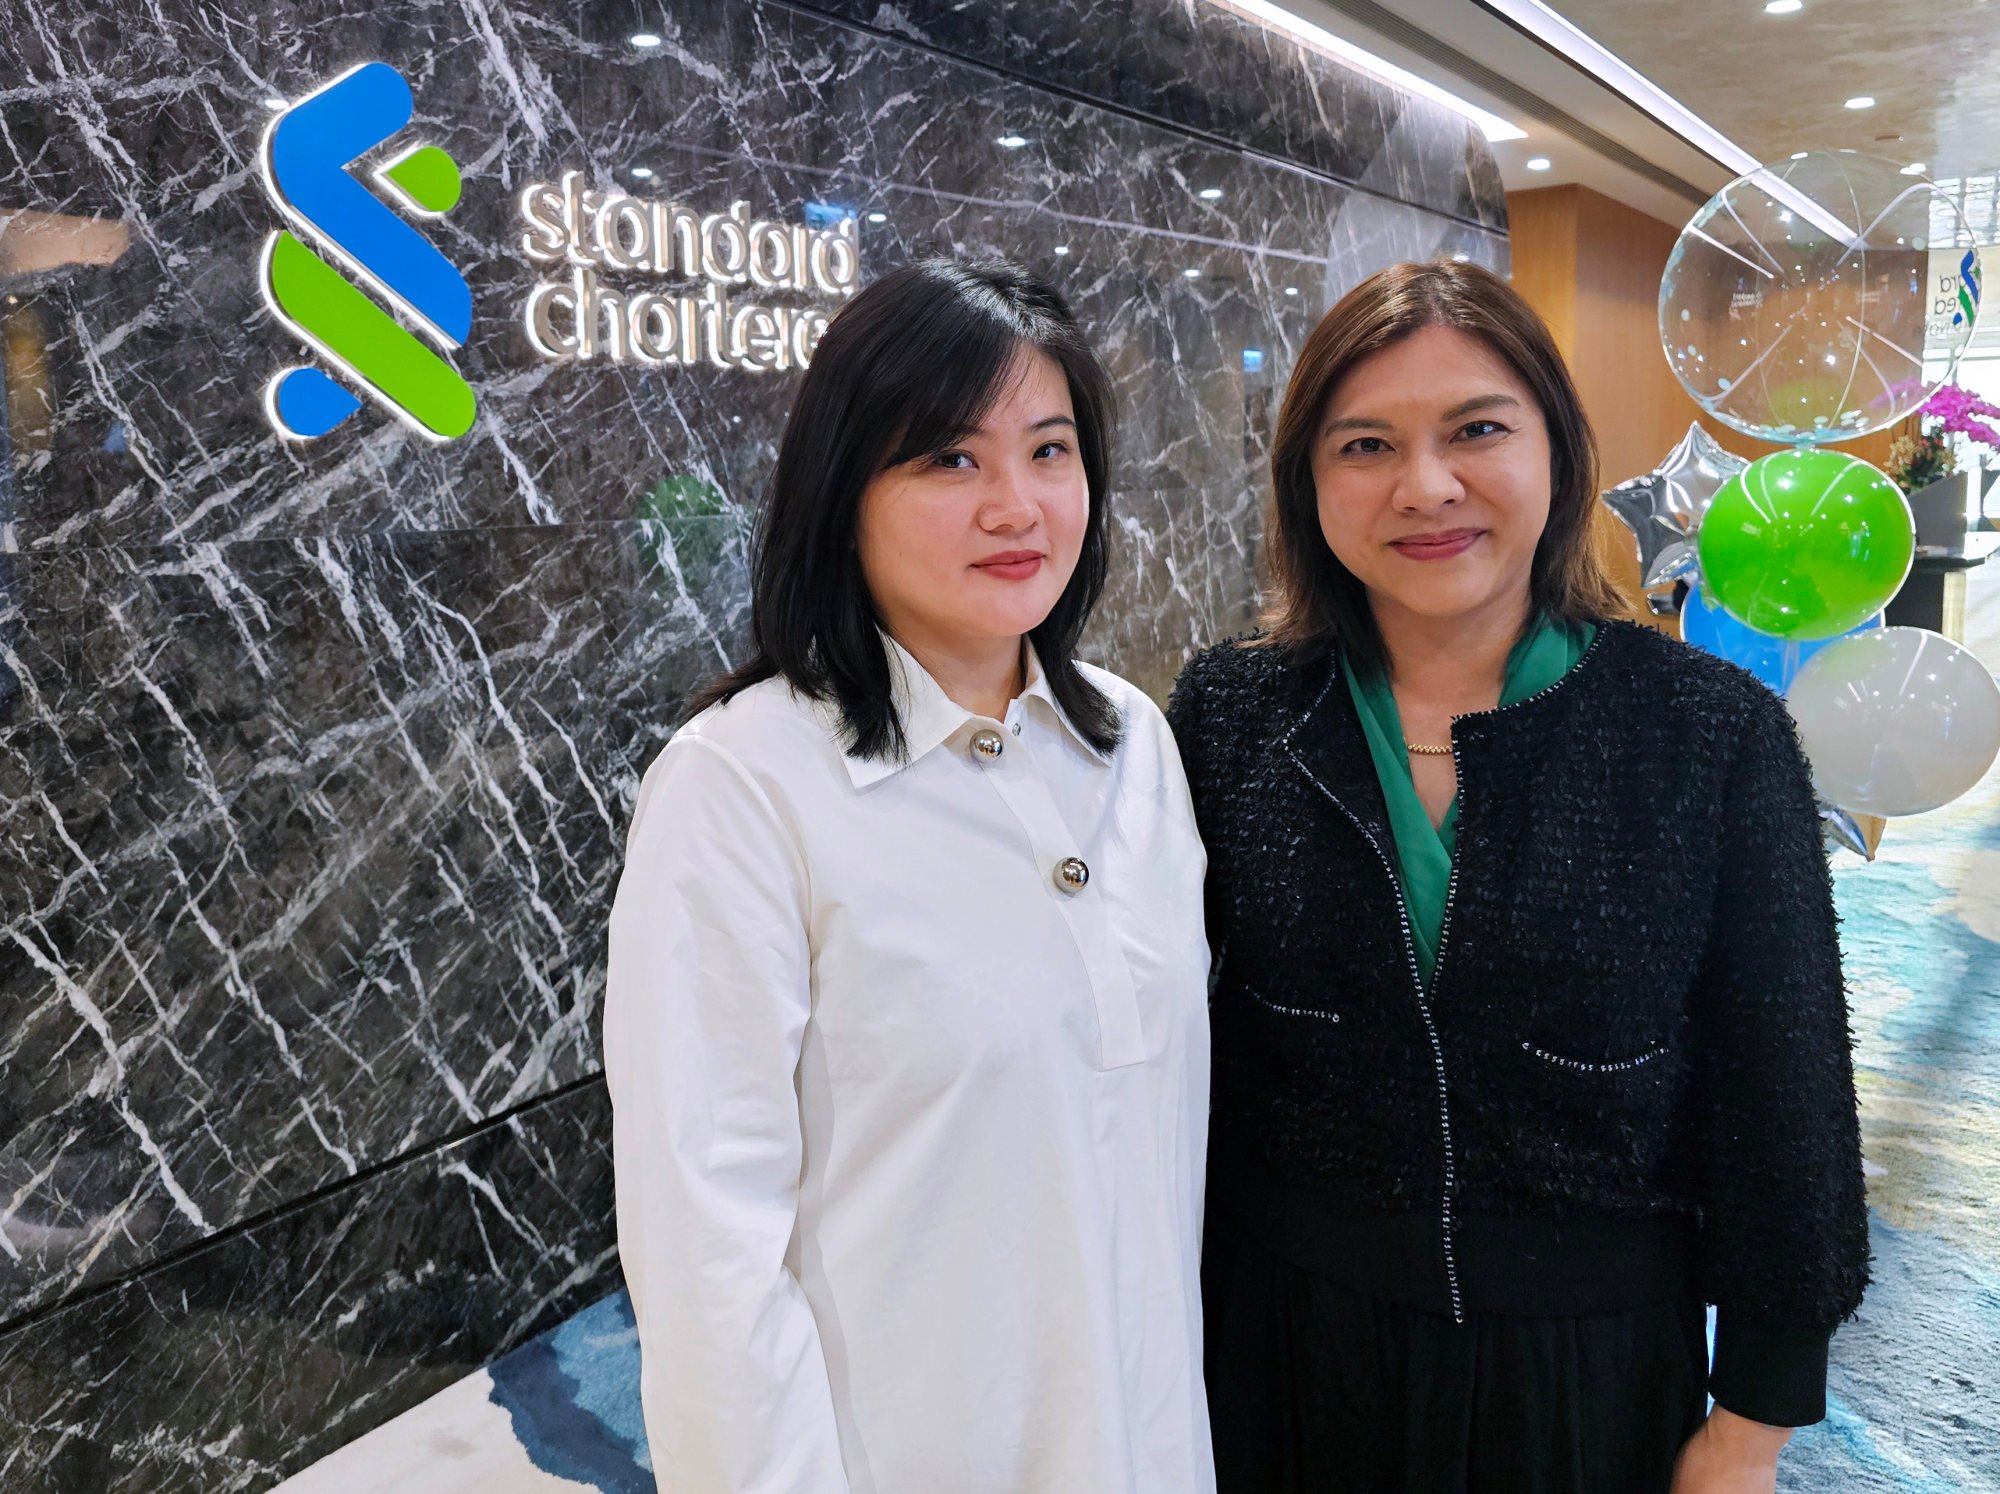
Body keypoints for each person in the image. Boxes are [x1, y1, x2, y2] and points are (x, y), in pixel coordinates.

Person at [1168, 258, 1868, 1494]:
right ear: (1306, 484)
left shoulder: (1703, 731)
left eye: (1475, 431)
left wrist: (1751, 1419)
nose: (1424, 487)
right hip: (1280, 1346)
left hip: (1586, 1367)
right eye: (1363, 444)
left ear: (1555, 447)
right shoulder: (1229, 716)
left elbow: (1784, 1087)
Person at [604, 257, 1214, 1493]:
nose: (1016, 506)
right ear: (843, 491)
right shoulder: (742, 784)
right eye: (948, 459)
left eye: (1049, 451)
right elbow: (707, 1265)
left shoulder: (1133, 745)